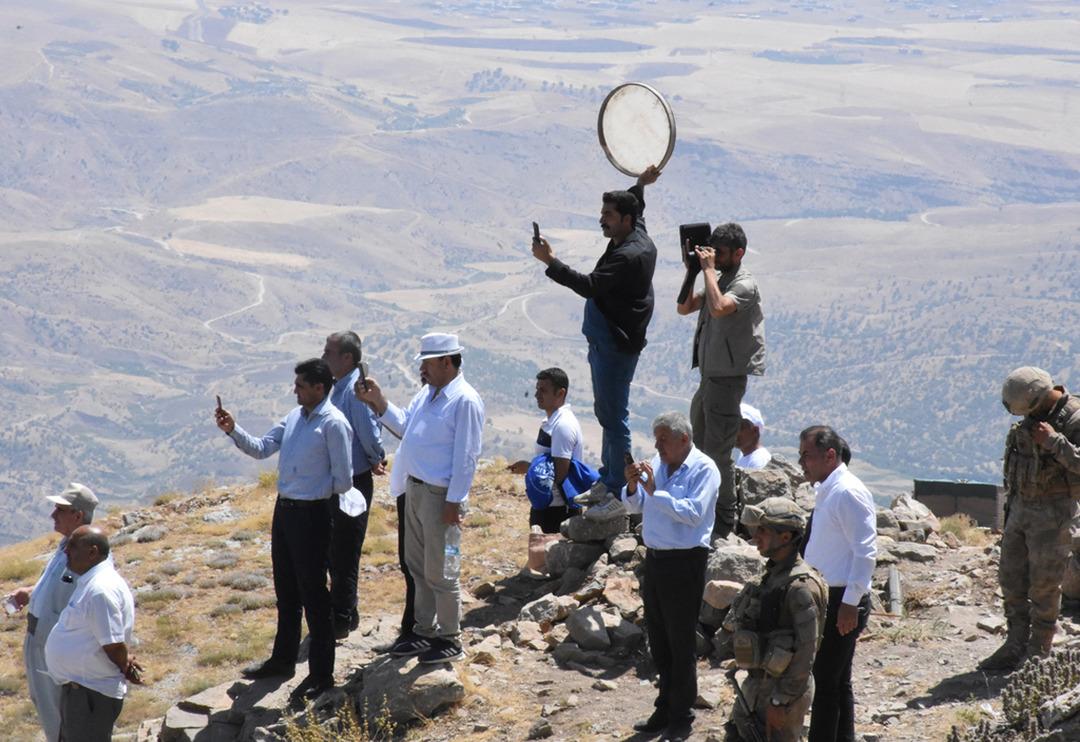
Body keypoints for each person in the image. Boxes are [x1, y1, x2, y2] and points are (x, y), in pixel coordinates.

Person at [215, 358, 353, 701]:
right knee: (287, 591)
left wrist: (316, 499)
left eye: (301, 385)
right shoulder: (294, 418)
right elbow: (262, 448)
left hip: (313, 515)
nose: (295, 390)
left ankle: (321, 674)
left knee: (314, 597)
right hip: (286, 511)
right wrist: (233, 429)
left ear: (319, 388)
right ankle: (283, 661)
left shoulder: (334, 424)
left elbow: (344, 479)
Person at [532, 165, 661, 495]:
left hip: (615, 344)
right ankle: (611, 474)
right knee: (608, 411)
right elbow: (637, 205)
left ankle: (617, 482)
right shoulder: (635, 233)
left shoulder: (630, 254)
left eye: (608, 215)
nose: (602, 220)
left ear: (625, 220)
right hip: (611, 338)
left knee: (613, 415)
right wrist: (640, 184)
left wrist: (550, 261)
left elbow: (589, 286)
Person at [356, 332, 484, 664]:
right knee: (418, 566)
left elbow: (467, 456)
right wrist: (379, 403)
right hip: (415, 490)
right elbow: (406, 427)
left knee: (442, 569)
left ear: (446, 361)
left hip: (441, 497)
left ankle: (450, 637)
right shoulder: (428, 394)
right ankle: (424, 631)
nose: (422, 370)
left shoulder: (464, 400)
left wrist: (454, 501)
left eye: (427, 363)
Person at [622, 411, 720, 742]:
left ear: (684, 439)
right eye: (656, 438)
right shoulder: (658, 464)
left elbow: (693, 514)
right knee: (660, 637)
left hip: (686, 561)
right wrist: (633, 485)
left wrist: (654, 491)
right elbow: (634, 507)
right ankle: (664, 705)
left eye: (663, 439)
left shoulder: (704, 469)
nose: (657, 445)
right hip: (656, 559)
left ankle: (682, 714)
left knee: (681, 640)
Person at [979, 366, 1080, 672]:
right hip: (1021, 509)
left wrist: (1055, 443)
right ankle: (1015, 643)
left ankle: (1039, 651)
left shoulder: (1074, 419)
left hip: (1055, 514)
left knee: (1045, 586)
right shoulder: (1034, 418)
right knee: (1011, 579)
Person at [677, 222, 765, 538]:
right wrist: (692, 270)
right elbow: (684, 307)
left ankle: (725, 522)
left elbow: (718, 308)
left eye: (722, 252)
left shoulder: (743, 284)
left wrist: (709, 271)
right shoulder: (719, 278)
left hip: (727, 380)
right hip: (708, 377)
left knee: (719, 453)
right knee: (700, 446)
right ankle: (703, 508)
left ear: (739, 253)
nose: (716, 257)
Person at [722, 498, 827, 742]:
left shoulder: (801, 588)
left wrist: (780, 701)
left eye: (764, 531)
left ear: (786, 537)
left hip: (782, 693)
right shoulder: (772, 577)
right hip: (758, 688)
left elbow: (806, 653)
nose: (756, 536)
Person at [798, 426, 876, 742]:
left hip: (842, 598)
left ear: (830, 455)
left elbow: (866, 550)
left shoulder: (847, 492)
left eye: (807, 455)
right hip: (828, 597)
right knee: (837, 679)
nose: (802, 462)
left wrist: (850, 603)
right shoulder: (829, 488)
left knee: (825, 683)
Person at [6, 484, 98, 742]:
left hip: (57, 651)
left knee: (62, 714)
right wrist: (32, 592)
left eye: (60, 509)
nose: (52, 515)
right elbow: (57, 586)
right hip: (39, 642)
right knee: (46, 707)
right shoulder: (66, 547)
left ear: (77, 516)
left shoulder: (85, 555)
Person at [43, 526, 140, 742]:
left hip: (90, 694)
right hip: (81, 691)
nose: (66, 551)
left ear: (92, 552)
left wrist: (125, 664)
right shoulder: (91, 583)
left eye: (73, 546)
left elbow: (113, 644)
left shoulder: (100, 590)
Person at [322, 331, 386, 639]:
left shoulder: (353, 392)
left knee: (345, 550)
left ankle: (342, 618)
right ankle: (348, 610)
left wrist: (376, 457)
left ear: (347, 358)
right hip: (337, 481)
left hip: (354, 481)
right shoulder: (340, 387)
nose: (324, 358)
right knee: (334, 549)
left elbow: (368, 430)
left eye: (329, 353)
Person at [507, 367, 585, 533]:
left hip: (557, 511)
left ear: (560, 393)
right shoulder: (552, 422)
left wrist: (528, 468)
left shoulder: (563, 426)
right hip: (547, 506)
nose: (537, 395)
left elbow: (560, 473)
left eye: (543, 390)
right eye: (537, 389)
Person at [735, 403, 771, 470]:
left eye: (741, 427)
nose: (735, 433)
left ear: (755, 431)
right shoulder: (744, 455)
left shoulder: (759, 461)